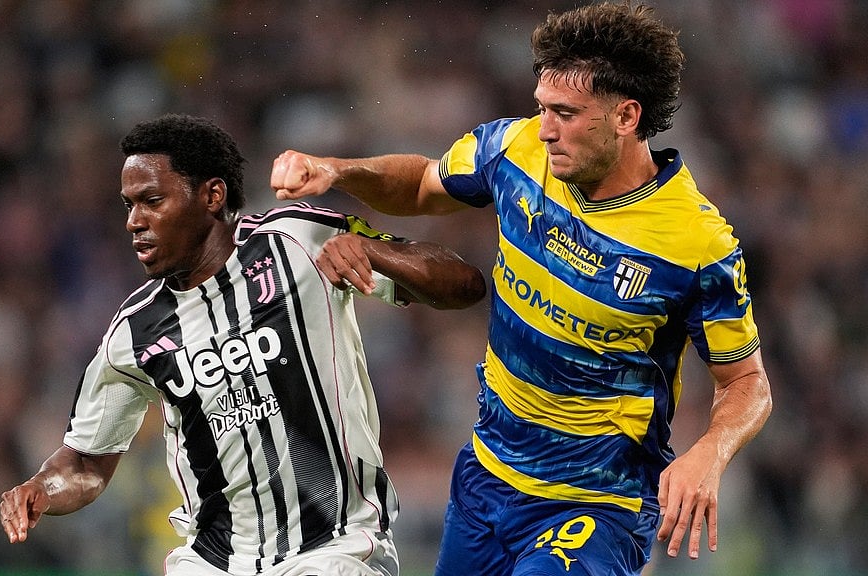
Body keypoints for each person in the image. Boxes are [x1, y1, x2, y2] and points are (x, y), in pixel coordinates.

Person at [269, 2, 773, 575]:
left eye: (565, 112)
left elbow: (748, 383)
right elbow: (422, 185)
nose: (546, 128)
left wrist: (710, 451)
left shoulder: (695, 242)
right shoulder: (516, 150)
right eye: (541, 108)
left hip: (597, 504)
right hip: (487, 476)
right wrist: (339, 170)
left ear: (627, 117)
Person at [0, 113, 486, 576]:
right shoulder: (135, 331)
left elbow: (463, 285)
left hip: (334, 549)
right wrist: (42, 487)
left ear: (212, 196)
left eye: (152, 201)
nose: (134, 220)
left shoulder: (297, 242)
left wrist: (376, 252)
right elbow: (86, 460)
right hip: (212, 561)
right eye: (129, 205)